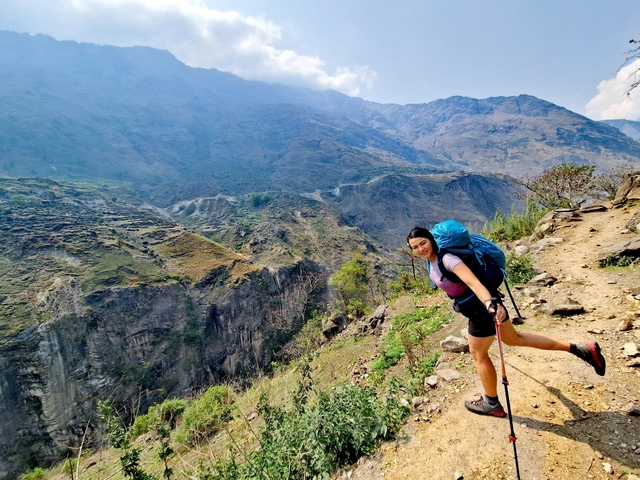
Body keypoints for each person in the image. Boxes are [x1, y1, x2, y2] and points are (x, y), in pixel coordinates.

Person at [407, 226, 606, 417]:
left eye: (423, 243)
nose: (420, 249)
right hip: (483, 308)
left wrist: (489, 304)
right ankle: (581, 349)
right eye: (415, 247)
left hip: (482, 311)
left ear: (431, 240)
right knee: (515, 339)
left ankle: (491, 403)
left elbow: (473, 282)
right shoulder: (431, 260)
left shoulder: (448, 259)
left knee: (478, 354)